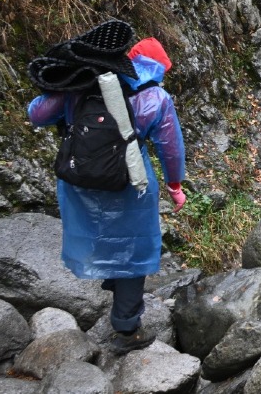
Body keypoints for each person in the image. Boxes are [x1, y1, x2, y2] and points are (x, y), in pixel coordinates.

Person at [28, 37, 186, 354]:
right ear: (159, 69)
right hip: (129, 182)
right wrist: (174, 187)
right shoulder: (155, 96)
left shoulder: (84, 85)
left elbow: (37, 114)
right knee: (134, 249)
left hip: (78, 181)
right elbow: (170, 149)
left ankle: (111, 279)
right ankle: (127, 330)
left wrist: (65, 83)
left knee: (96, 230)